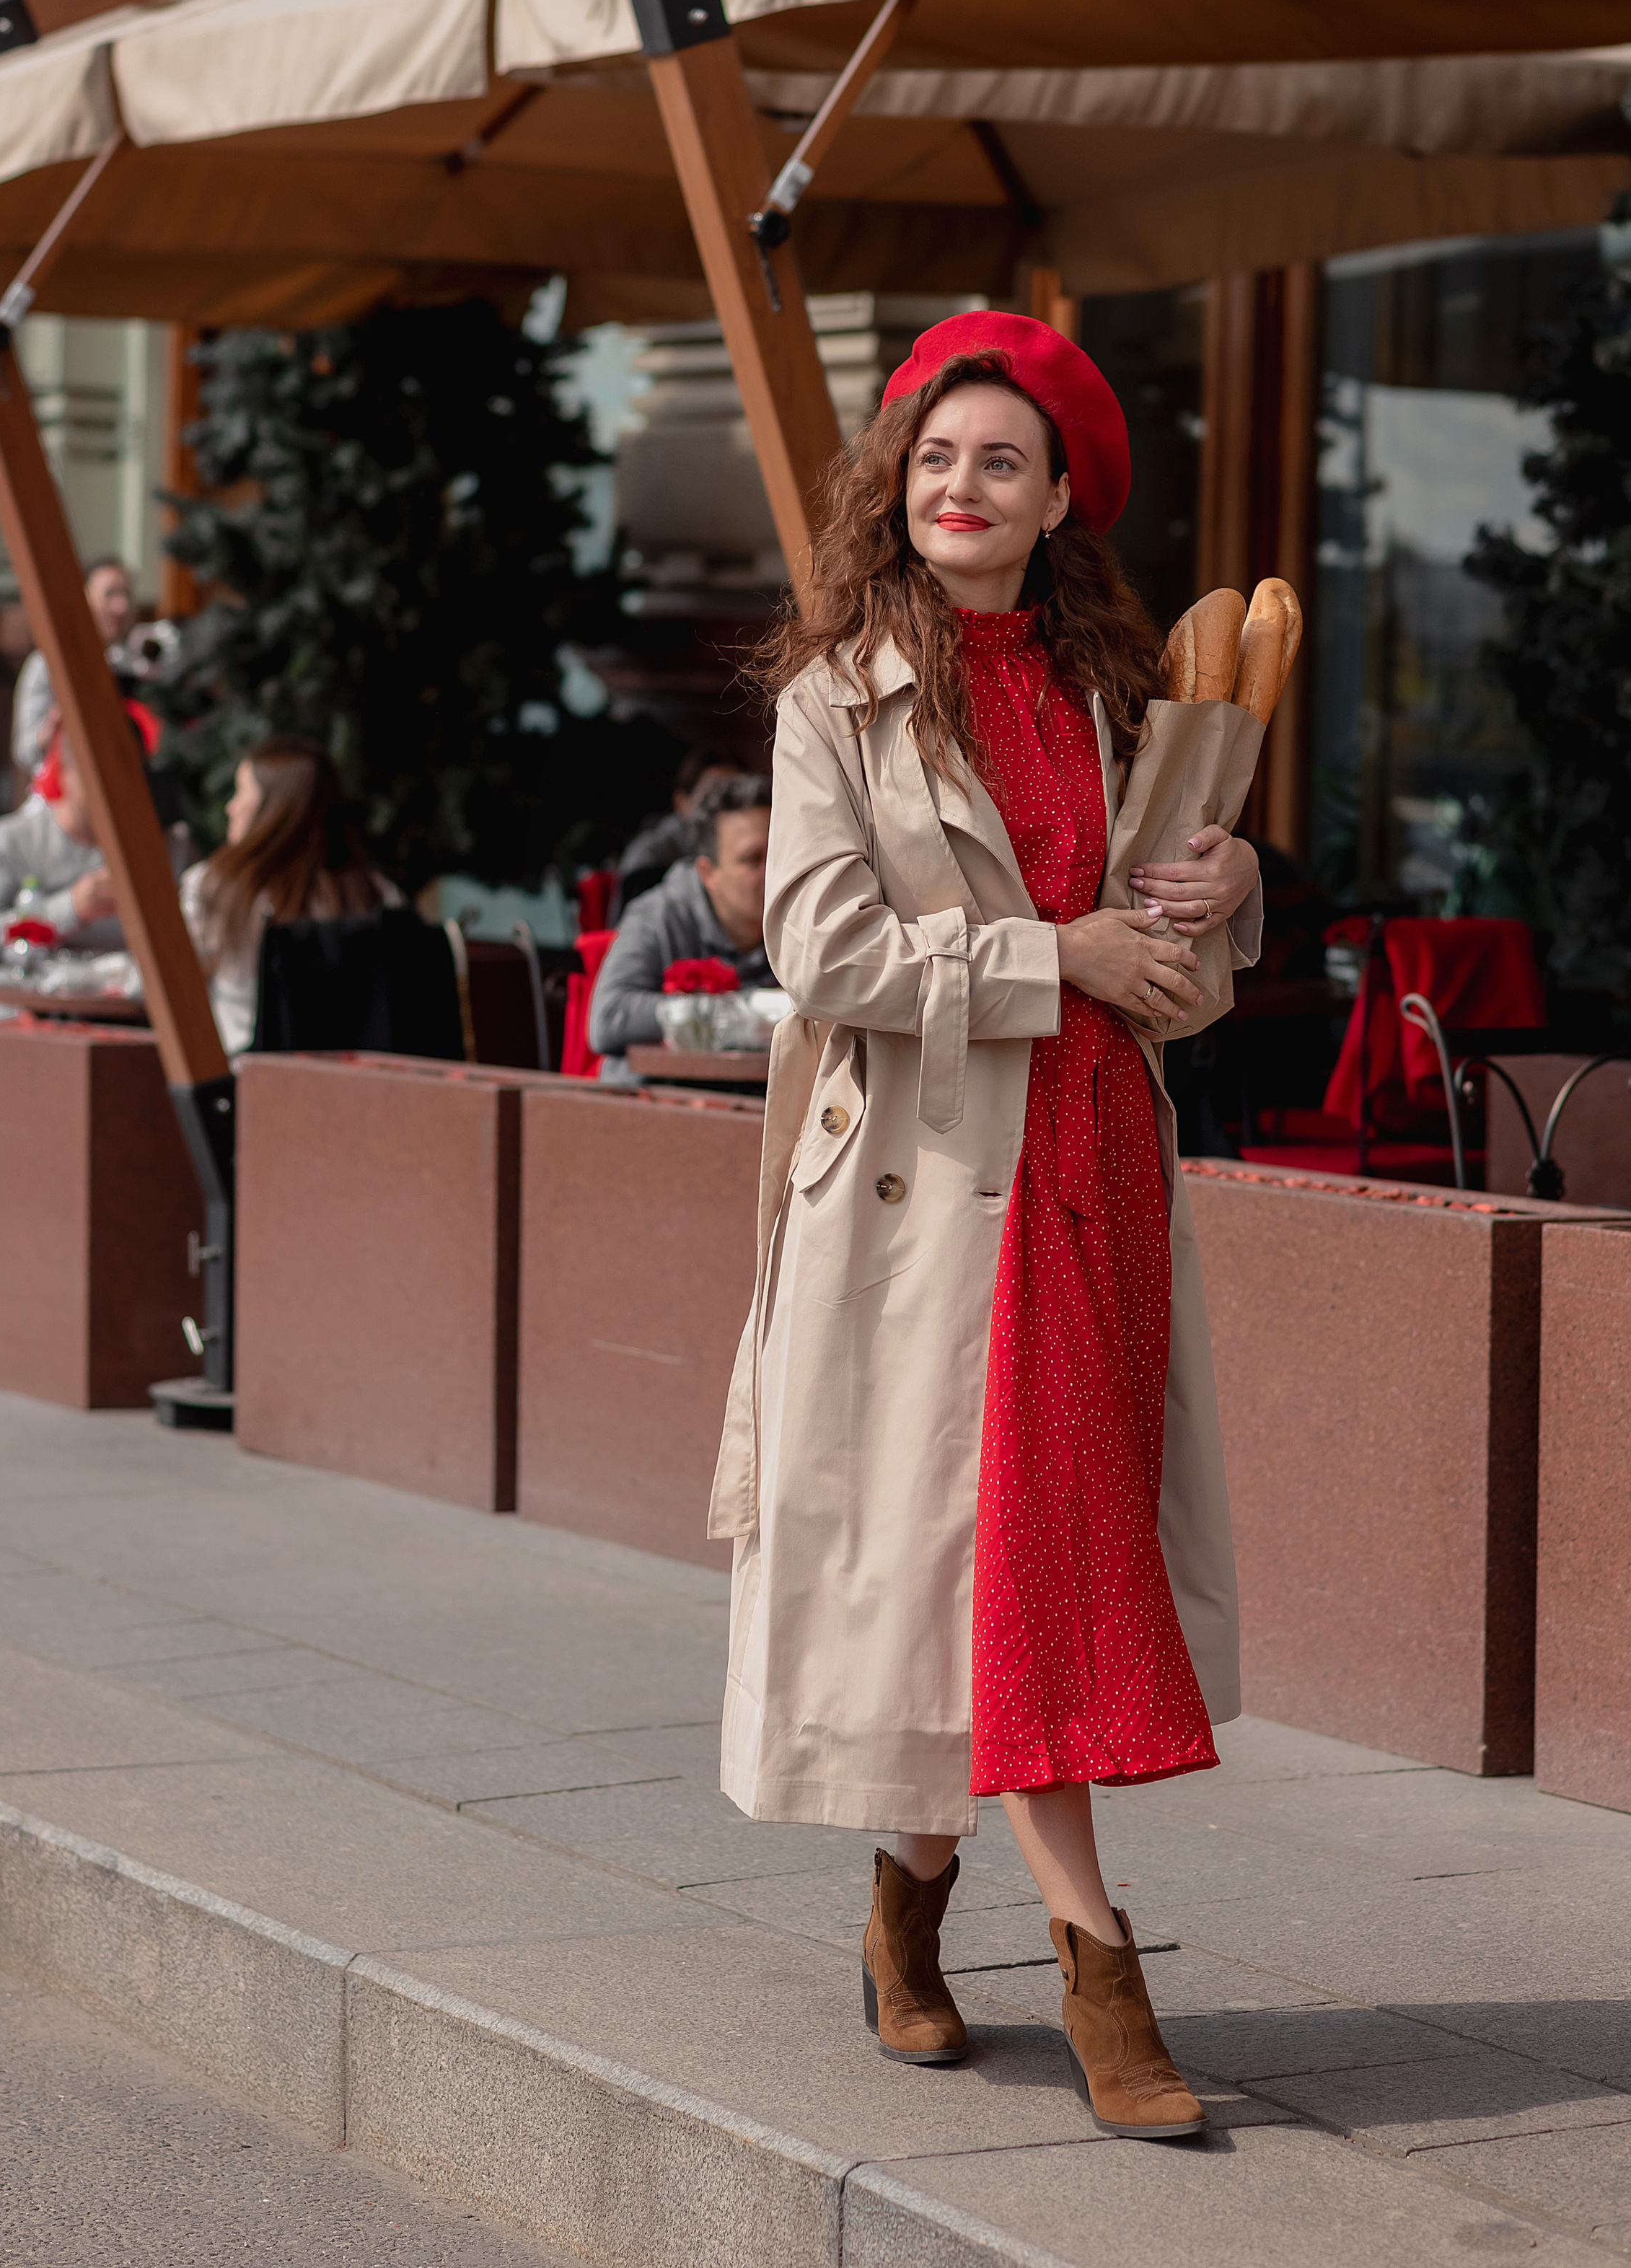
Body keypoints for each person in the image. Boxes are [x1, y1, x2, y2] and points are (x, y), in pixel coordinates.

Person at [713, 312, 1262, 2140]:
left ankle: (904, 1898)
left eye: (999, 462)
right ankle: (1101, 1965)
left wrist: (1220, 891)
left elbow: (1169, 976)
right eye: (936, 456)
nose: (961, 485)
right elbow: (820, 949)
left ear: (1053, 502)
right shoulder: (833, 697)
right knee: (1011, 1556)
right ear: (899, 483)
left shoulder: (1119, 701)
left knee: (1007, 1561)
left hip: (1092, 1160)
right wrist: (1054, 952)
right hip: (920, 1193)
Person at [180, 737, 390, 1057]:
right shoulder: (375, 894)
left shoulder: (214, 887)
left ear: (273, 809)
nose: (230, 807)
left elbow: (172, 983)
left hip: (243, 1076)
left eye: (240, 791)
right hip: (349, 1081)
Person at [586, 770, 776, 1073]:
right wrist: (742, 1014)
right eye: (753, 859)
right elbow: (607, 1018)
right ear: (707, 873)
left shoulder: (806, 918)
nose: (775, 871)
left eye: (780, 854)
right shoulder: (659, 914)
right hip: (670, 1104)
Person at [0, 736, 125, 985]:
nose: (113, 784)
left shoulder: (165, 849)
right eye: (97, 769)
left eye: (125, 770)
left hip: (129, 1011)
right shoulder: (12, 841)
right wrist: (69, 909)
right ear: (64, 771)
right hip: (19, 1008)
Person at [11, 558, 139, 778]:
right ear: (83, 598)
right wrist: (56, 724)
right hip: (61, 796)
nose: (121, 606)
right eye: (110, 594)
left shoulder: (134, 665)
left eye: (126, 595)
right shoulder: (48, 665)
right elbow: (25, 751)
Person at [614, 747, 748, 915]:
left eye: (737, 800)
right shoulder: (649, 861)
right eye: (711, 798)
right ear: (681, 802)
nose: (725, 813)